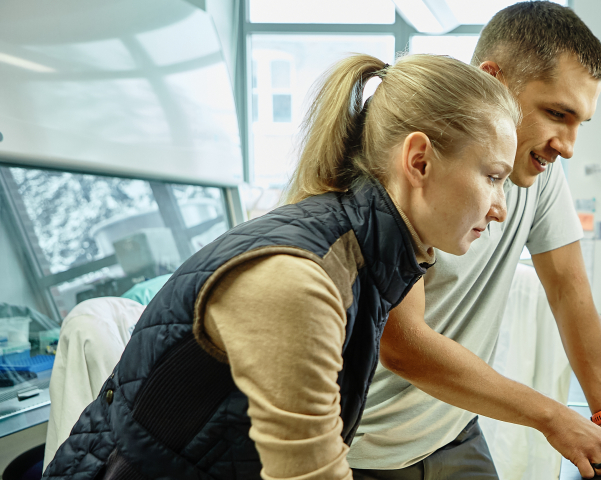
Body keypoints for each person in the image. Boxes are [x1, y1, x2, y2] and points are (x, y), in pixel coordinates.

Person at [43, 53, 520, 480]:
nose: (499, 208)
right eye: (494, 178)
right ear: (418, 161)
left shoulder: (362, 262)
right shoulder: (301, 280)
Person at [348, 3, 601, 479]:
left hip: (453, 427)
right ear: (494, 81)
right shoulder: (405, 173)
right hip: (368, 445)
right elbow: (403, 343)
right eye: (556, 113)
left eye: (580, 121)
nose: (568, 144)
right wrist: (552, 416)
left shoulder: (537, 170)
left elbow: (569, 291)